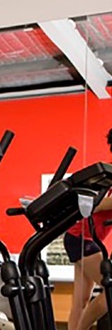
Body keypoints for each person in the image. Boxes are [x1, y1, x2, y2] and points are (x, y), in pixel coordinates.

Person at [64, 128, 112, 330]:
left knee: (81, 300)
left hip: (87, 239)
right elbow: (104, 204)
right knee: (110, 291)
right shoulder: (108, 173)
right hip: (81, 238)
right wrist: (98, 204)